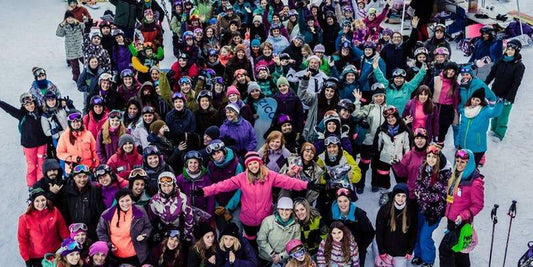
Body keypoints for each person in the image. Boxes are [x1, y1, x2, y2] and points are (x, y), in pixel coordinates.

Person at [198, 152, 313, 244]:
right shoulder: (241, 178)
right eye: (250, 164)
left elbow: (288, 181)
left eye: (255, 163)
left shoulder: (269, 175)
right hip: (248, 218)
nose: (253, 166)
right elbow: (222, 185)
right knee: (251, 240)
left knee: (265, 239)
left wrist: (306, 184)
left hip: (266, 218)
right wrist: (204, 191)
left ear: (259, 163)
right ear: (247, 166)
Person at [438, 149, 484, 266]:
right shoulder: (455, 176)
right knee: (460, 252)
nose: (459, 164)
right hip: (451, 221)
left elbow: (478, 205)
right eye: (457, 161)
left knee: (445, 250)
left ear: (469, 163)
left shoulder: (474, 182)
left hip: (461, 223)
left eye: (463, 162)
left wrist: (464, 215)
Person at [412, 144, 451, 266]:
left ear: (439, 158)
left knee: (425, 236)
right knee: (417, 233)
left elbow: (442, 194)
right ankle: (418, 255)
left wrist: (423, 195)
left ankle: (428, 260)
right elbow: (417, 182)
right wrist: (420, 192)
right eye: (429, 156)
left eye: (434, 157)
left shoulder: (445, 173)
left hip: (434, 212)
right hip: (421, 208)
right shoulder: (423, 168)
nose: (431, 159)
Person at [0, 93, 49, 187]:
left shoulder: (41, 111)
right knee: (32, 166)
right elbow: (9, 109)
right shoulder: (21, 115)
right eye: (27, 105)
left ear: (34, 102)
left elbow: (51, 104)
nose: (30, 106)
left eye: (31, 103)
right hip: (29, 146)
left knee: (41, 164)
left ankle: (41, 185)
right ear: (23, 106)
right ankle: (31, 186)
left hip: (42, 143)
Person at [96, 189, 152, 265]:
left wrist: (144, 234)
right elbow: (100, 230)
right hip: (115, 257)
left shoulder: (139, 210)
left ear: (131, 200)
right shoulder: (108, 214)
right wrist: (108, 244)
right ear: (118, 202)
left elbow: (148, 226)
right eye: (122, 201)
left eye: (127, 200)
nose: (125, 203)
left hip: (137, 256)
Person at [485, 39, 526, 142]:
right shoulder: (500, 60)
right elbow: (492, 74)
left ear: (517, 51)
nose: (510, 51)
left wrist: (510, 98)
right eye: (508, 49)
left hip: (507, 95)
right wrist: (485, 85)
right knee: (495, 112)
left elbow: (516, 83)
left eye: (512, 50)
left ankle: (499, 134)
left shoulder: (519, 66)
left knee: (503, 115)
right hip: (496, 92)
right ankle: (493, 129)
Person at [18, 188, 69, 266]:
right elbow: (22, 241)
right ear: (32, 202)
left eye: (43, 200)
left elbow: (63, 230)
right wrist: (27, 259)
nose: (40, 203)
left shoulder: (54, 211)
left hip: (56, 253)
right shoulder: (24, 219)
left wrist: (68, 245)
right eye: (37, 201)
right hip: (37, 257)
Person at [352, 84, 387, 194]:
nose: (379, 98)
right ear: (373, 98)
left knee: (376, 165)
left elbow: (394, 122)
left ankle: (375, 183)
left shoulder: (388, 109)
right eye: (376, 96)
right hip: (367, 142)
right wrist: (357, 101)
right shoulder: (369, 107)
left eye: (381, 96)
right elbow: (356, 114)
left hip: (380, 143)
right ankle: (360, 184)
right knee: (364, 164)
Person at [329, 188, 375, 266]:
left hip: (357, 249)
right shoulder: (333, 215)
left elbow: (370, 232)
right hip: (339, 251)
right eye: (340, 201)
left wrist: (361, 247)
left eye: (345, 201)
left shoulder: (359, 214)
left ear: (349, 201)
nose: (342, 204)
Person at [375, 183, 417, 267]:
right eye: (398, 195)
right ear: (394, 196)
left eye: (403, 196)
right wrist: (381, 250)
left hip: (401, 252)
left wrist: (409, 250)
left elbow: (413, 233)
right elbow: (379, 231)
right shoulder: (385, 210)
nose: (400, 199)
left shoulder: (411, 212)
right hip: (386, 251)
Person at [457, 90, 503, 165]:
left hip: (477, 148)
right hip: (463, 146)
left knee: (472, 168)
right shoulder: (465, 110)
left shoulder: (485, 111)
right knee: (461, 166)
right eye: (473, 99)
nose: (474, 102)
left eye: (477, 100)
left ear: (481, 101)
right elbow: (461, 128)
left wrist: (500, 103)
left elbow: (495, 112)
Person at [148, 172, 195, 244]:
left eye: (169, 185)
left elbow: (189, 218)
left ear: (174, 185)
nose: (166, 188)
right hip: (163, 232)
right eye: (163, 185)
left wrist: (188, 235)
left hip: (180, 231)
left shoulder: (183, 198)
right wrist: (156, 231)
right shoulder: (154, 200)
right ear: (159, 186)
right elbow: (153, 219)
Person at [60, 164, 104, 240]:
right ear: (74, 177)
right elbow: (64, 212)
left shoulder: (94, 190)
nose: (82, 180)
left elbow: (99, 211)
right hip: (73, 231)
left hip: (90, 232)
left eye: (85, 176)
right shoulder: (67, 191)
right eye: (79, 177)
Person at [374, 106, 412, 191]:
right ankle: (384, 192)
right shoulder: (382, 129)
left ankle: (402, 192)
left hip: (399, 158)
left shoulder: (404, 130)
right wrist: (377, 155)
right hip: (385, 157)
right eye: (388, 118)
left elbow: (407, 147)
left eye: (393, 117)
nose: (391, 119)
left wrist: (407, 159)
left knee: (401, 177)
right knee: (383, 176)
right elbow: (378, 144)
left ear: (397, 117)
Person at [257, 197, 302, 266]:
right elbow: (261, 239)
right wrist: (272, 254)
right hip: (266, 257)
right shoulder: (268, 221)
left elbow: (295, 246)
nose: (284, 212)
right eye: (281, 209)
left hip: (283, 259)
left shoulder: (296, 226)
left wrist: (281, 256)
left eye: (287, 209)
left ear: (291, 211)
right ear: (278, 209)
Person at [176, 150, 215, 219]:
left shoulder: (206, 178)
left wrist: (209, 215)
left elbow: (210, 199)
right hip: (186, 211)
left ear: (199, 164)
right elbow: (176, 196)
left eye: (195, 162)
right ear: (186, 164)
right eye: (190, 162)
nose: (193, 165)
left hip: (202, 212)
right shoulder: (180, 178)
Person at [392, 127, 429, 193]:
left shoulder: (431, 154)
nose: (419, 140)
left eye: (422, 138)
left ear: (426, 140)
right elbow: (402, 174)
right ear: (414, 140)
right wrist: (397, 164)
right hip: (412, 191)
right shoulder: (409, 155)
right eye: (417, 138)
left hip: (427, 192)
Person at [56, 11, 85, 82]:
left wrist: (85, 21)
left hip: (80, 48)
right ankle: (76, 78)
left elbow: (85, 28)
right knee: (75, 67)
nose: (70, 19)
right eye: (68, 18)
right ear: (65, 19)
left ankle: (88, 75)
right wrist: (61, 26)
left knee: (86, 62)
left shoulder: (79, 25)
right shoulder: (65, 26)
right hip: (71, 50)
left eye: (72, 17)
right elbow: (59, 34)